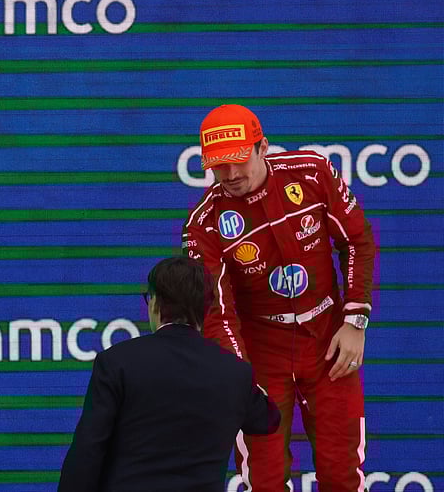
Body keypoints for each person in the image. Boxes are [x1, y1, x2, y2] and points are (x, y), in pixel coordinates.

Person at [182, 104, 375, 491]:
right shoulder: (203, 223)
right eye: (220, 166)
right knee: (264, 479)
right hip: (261, 354)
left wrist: (354, 321)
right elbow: (218, 312)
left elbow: (357, 241)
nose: (232, 175)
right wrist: (238, 373)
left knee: (342, 473)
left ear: (262, 147)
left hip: (327, 342)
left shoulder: (312, 172)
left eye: (239, 161)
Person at [59, 256, 280, 491]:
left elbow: (88, 451)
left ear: (154, 304)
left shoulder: (117, 362)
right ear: (206, 309)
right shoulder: (235, 373)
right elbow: (268, 419)